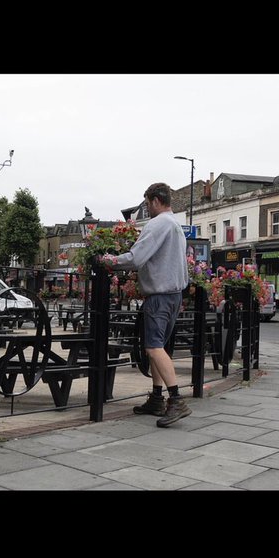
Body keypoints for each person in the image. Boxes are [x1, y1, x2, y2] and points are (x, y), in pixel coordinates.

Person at [99, 183, 191, 427]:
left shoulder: (158, 224)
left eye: (148, 204)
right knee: (158, 347)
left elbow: (136, 258)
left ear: (156, 201)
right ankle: (157, 398)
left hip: (159, 296)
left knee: (153, 348)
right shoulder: (175, 226)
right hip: (174, 295)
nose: (148, 209)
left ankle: (176, 400)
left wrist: (109, 260)